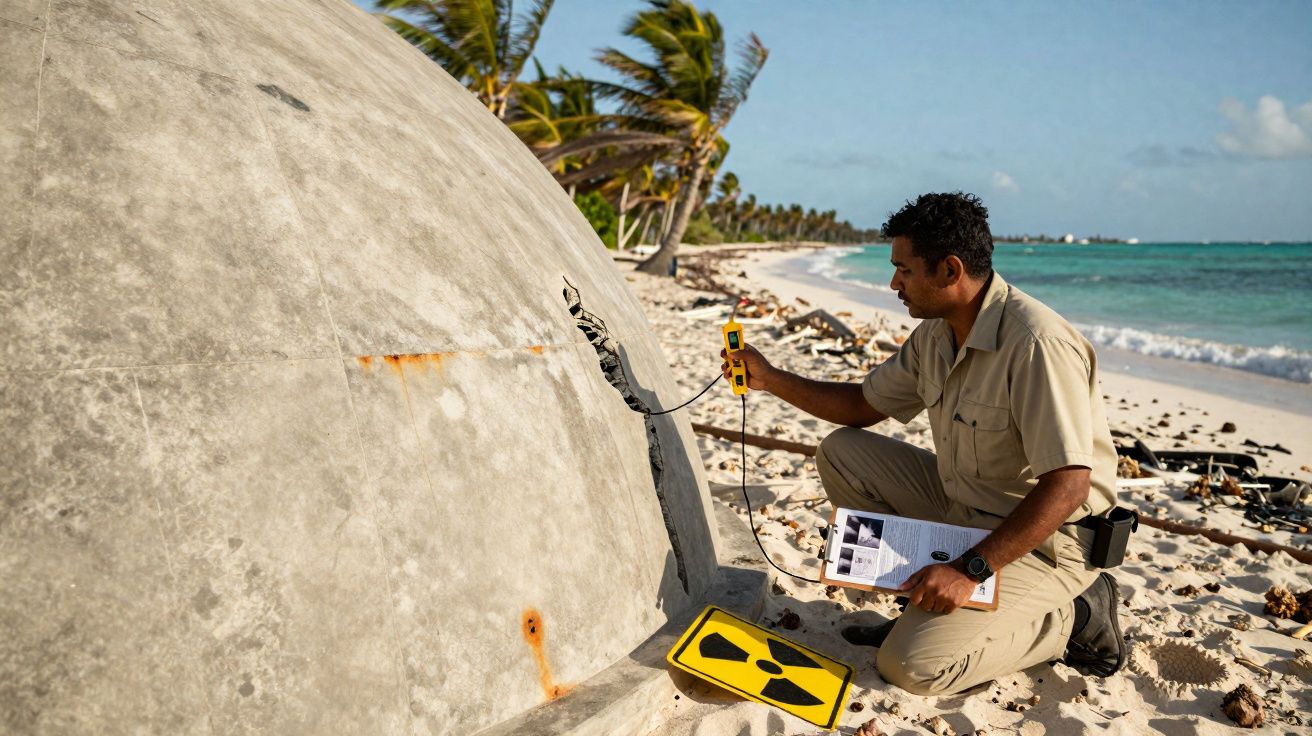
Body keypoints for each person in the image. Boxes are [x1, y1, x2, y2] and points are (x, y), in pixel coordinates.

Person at [721, 192, 1126, 696]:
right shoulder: (937, 333)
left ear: (950, 270)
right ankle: (927, 605)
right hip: (966, 508)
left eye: (904, 270)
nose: (894, 283)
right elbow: (861, 406)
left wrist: (968, 570)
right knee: (843, 454)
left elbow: (1068, 487)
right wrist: (770, 378)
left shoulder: (1036, 344)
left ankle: (1074, 617)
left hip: (1049, 542)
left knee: (912, 667)